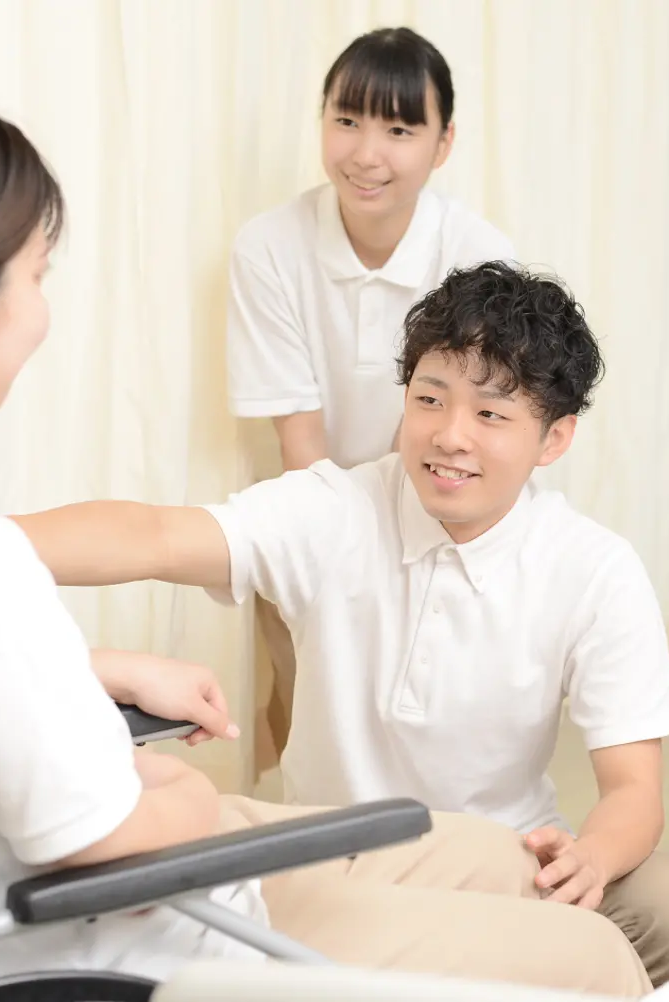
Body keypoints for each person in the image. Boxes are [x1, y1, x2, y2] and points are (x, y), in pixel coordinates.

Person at [0, 89, 650, 997]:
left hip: (44, 891)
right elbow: (99, 834)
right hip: (135, 931)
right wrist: (182, 792)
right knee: (598, 960)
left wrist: (87, 666)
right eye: (35, 275)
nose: (41, 311)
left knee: (498, 859)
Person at [14, 261, 669, 988]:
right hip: (342, 861)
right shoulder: (336, 510)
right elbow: (153, 535)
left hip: (509, 860)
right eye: (429, 399)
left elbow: (633, 791)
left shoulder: (594, 569)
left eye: (490, 415)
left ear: (554, 438)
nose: (450, 436)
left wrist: (589, 857)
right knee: (588, 961)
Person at [226, 27, 516, 762]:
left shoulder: (478, 256)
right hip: (313, 499)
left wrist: (392, 556)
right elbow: (300, 439)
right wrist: (332, 556)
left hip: (442, 502)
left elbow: (447, 427)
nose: (365, 153)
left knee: (422, 719)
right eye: (347, 120)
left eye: (399, 130)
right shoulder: (269, 246)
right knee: (306, 702)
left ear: (443, 143)